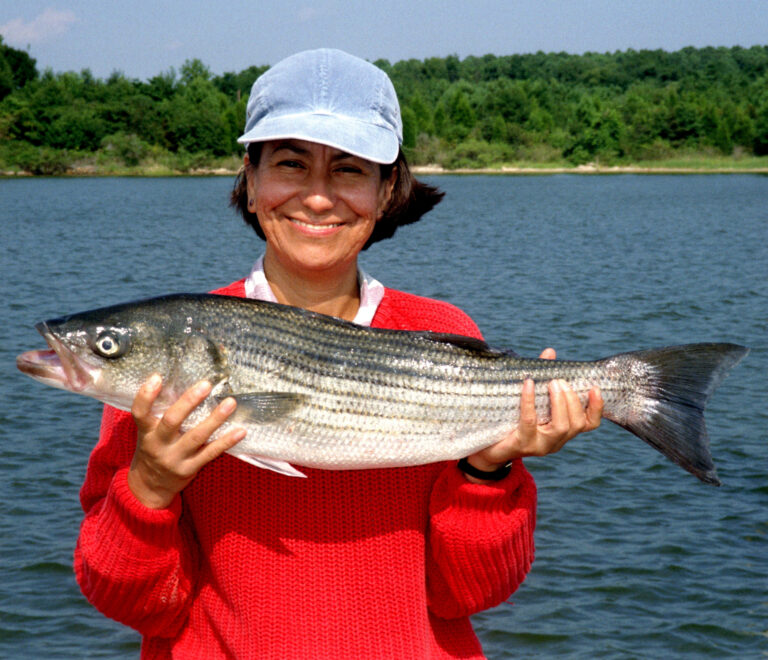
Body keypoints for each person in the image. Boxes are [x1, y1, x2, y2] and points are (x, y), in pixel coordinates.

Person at [74, 48, 603, 659]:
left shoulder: (440, 328)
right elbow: (135, 605)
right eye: (291, 164)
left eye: (349, 170)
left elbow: (469, 594)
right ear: (249, 181)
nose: (318, 198)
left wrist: (488, 471)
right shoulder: (169, 346)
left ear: (386, 193)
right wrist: (150, 485)